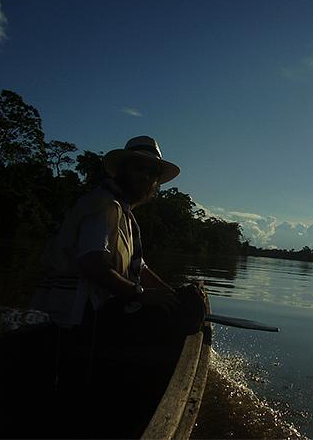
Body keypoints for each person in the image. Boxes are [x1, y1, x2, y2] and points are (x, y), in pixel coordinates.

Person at [40, 135, 205, 347]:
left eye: (152, 172)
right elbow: (92, 264)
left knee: (186, 299)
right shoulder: (102, 207)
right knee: (183, 310)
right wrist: (140, 294)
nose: (145, 176)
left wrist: (170, 296)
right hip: (80, 317)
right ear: (122, 170)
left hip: (102, 312)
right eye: (139, 168)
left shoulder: (123, 212)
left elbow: (140, 268)